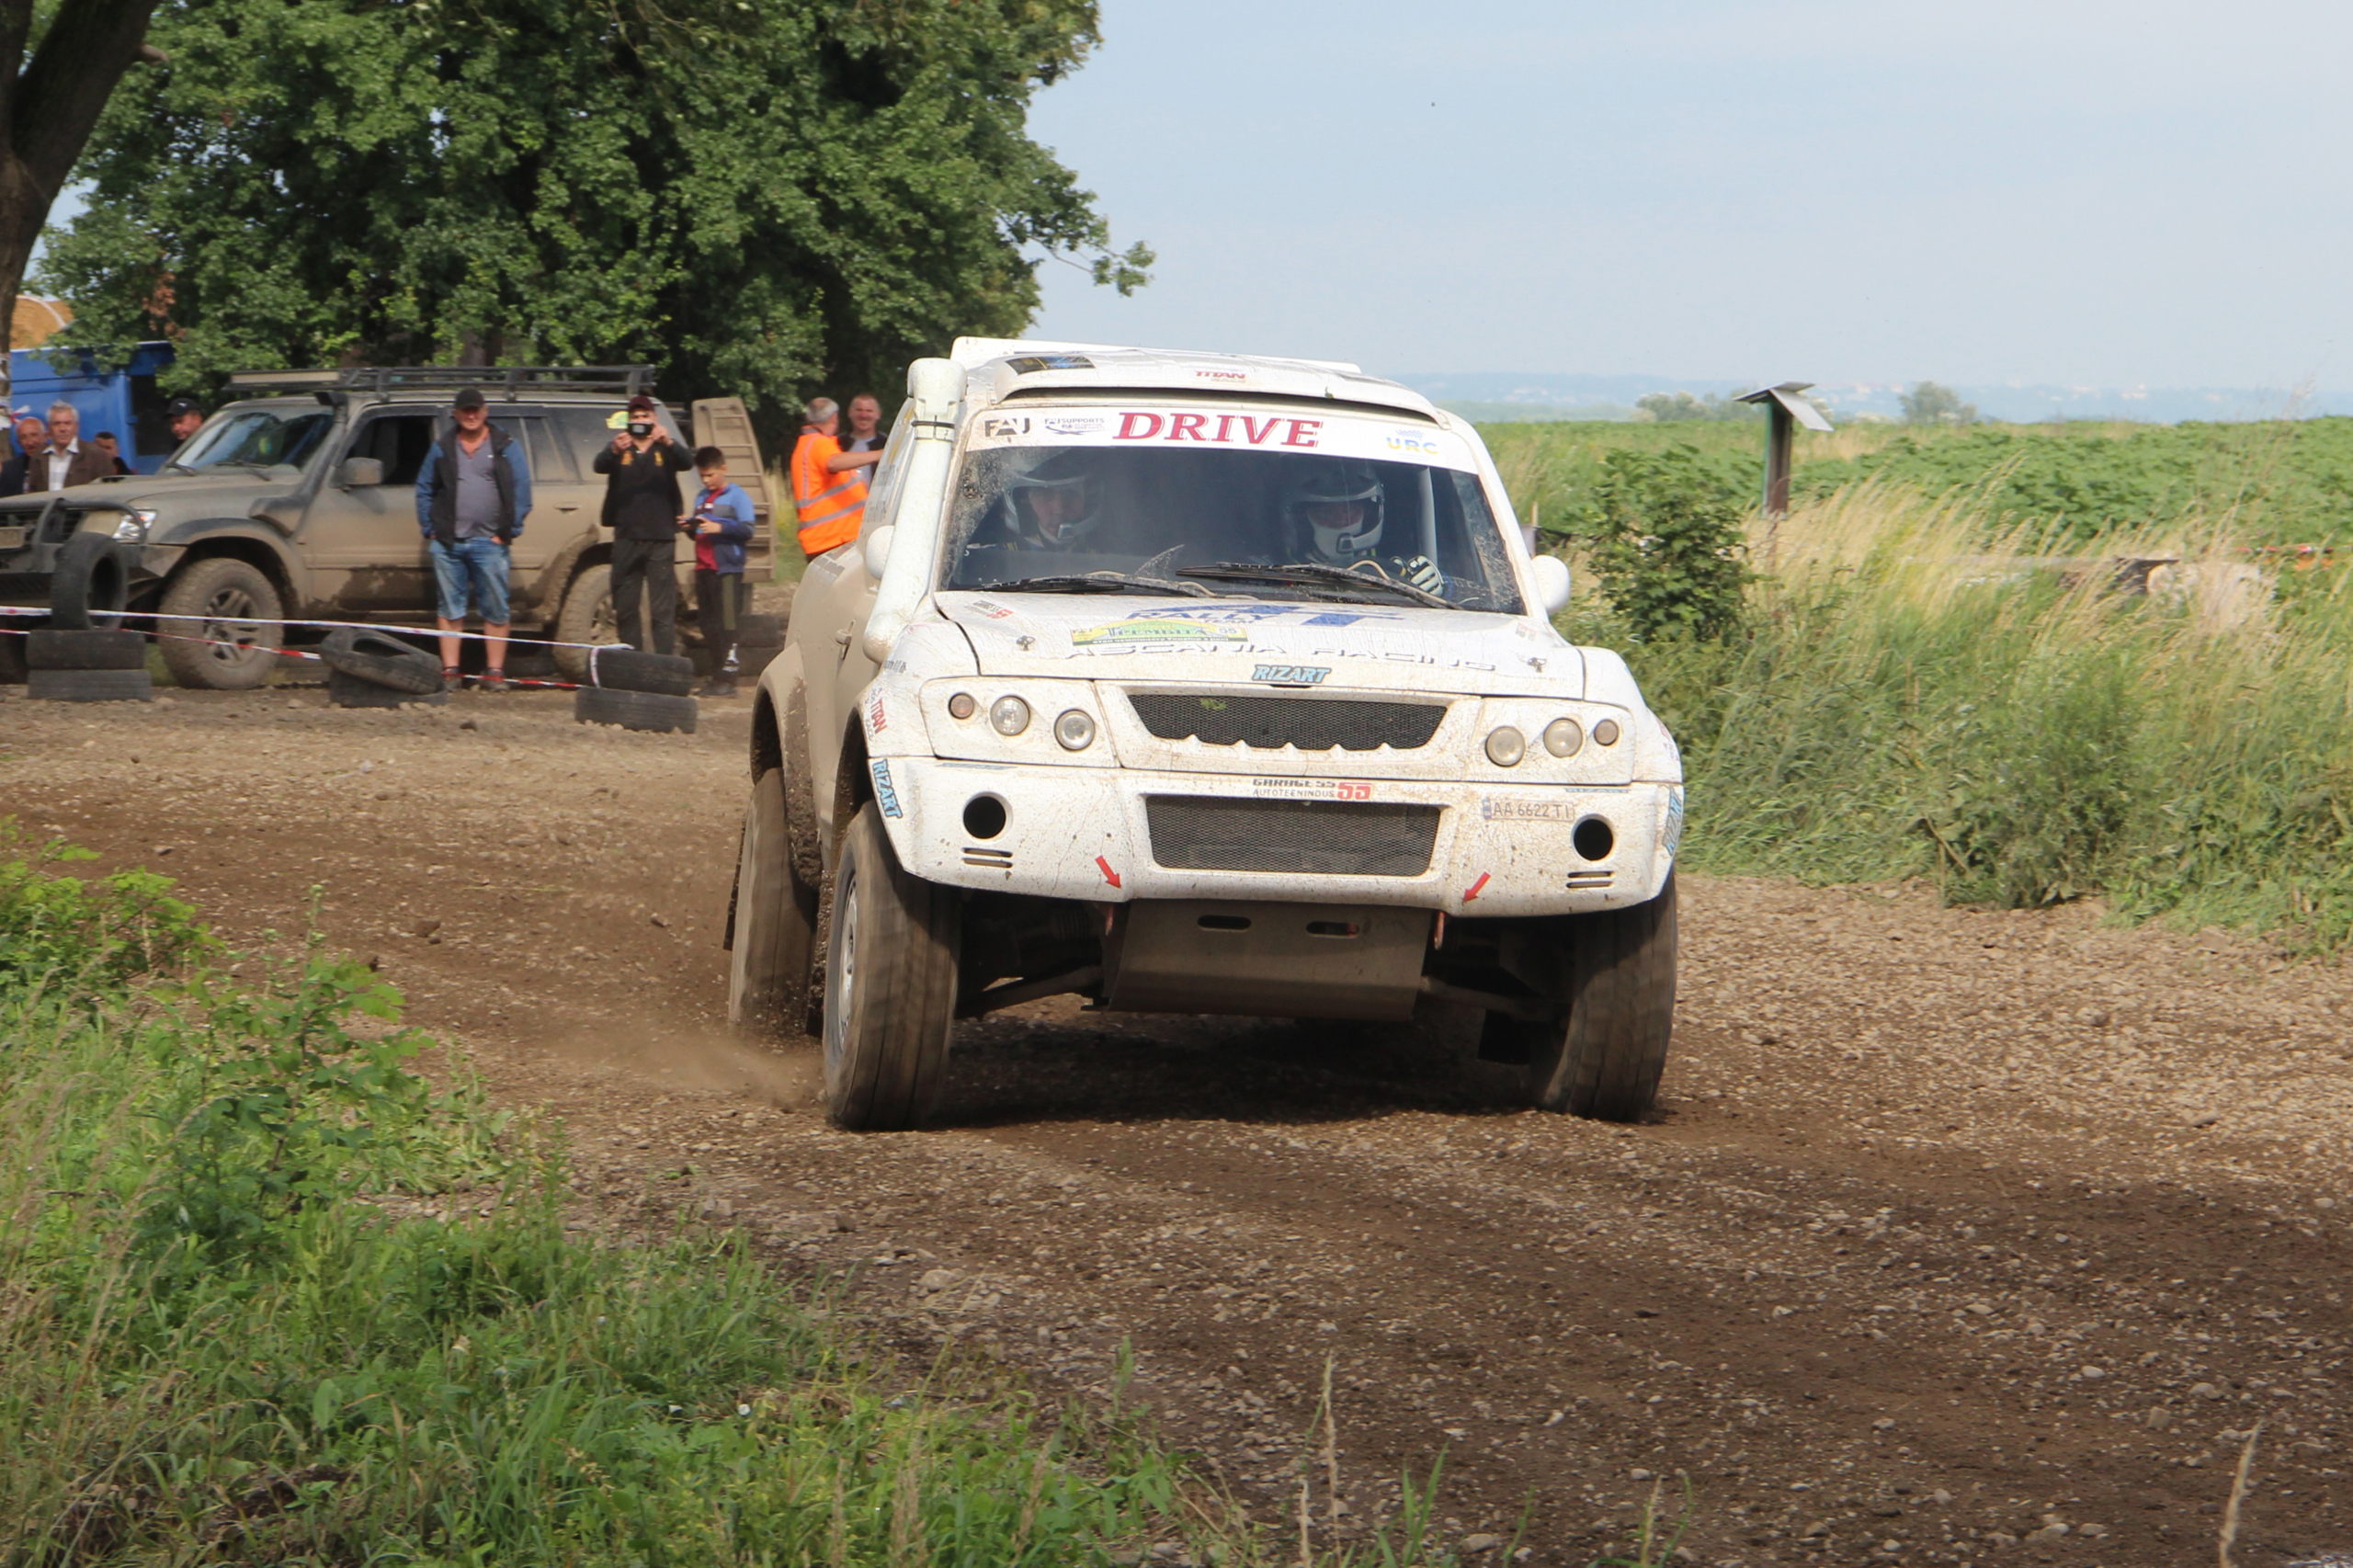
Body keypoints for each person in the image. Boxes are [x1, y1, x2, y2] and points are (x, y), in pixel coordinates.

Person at [415, 386, 534, 691]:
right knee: (450, 607)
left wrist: (507, 532)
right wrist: (430, 528)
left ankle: (494, 673)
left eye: (476, 410)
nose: (471, 415)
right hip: (448, 543)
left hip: (490, 543)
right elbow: (424, 488)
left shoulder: (505, 445)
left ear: (485, 412)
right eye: (465, 410)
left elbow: (522, 490)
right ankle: (451, 672)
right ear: (456, 414)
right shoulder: (443, 447)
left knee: (495, 607)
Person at [593, 392, 692, 654]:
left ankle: (663, 662)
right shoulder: (621, 447)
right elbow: (598, 465)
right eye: (635, 417)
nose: (640, 421)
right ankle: (632, 659)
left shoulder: (664, 448)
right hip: (627, 536)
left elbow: (687, 462)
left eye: (645, 416)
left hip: (661, 537)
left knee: (662, 609)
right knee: (626, 607)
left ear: (654, 419)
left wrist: (668, 441)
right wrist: (613, 450)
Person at [1282, 461, 1447, 595]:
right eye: (1326, 511)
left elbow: (1459, 592)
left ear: (1370, 513)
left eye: (1351, 509)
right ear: (1301, 520)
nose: (1341, 519)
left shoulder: (1395, 565)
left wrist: (1443, 586)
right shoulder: (1277, 573)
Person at [684, 445, 757, 697]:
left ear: (723, 469)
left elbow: (747, 530)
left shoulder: (737, 496)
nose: (706, 480)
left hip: (727, 570)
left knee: (727, 624)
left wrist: (721, 528)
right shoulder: (701, 497)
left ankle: (728, 679)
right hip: (704, 568)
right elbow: (698, 532)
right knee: (708, 624)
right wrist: (689, 526)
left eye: (710, 475)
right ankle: (716, 676)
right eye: (702, 476)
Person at [788, 396, 865, 560]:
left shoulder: (810, 444)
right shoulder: (817, 443)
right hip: (834, 539)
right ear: (834, 418)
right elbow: (833, 463)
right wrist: (881, 454)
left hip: (828, 539)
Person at [29, 402, 107, 492]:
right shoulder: (39, 456)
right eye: (57, 424)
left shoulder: (96, 455)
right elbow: (33, 493)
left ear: (76, 427)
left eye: (67, 423)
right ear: (49, 428)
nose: (62, 429)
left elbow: (106, 492)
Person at [0, 413, 46, 497]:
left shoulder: (56, 462)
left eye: (34, 435)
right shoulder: (9, 469)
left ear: (45, 437)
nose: (30, 442)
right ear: (19, 442)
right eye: (23, 437)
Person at [838, 392, 886, 470]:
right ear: (849, 412)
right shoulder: (837, 443)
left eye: (869, 411)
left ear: (878, 414)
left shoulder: (887, 445)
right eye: (859, 410)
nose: (864, 415)